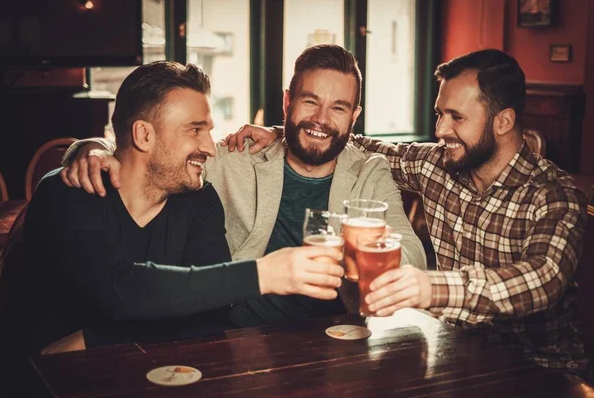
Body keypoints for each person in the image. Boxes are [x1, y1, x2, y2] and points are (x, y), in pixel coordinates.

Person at [220, 49, 591, 379]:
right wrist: (283, 130)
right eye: (439, 114)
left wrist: (430, 286)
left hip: (541, 372)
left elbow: (544, 279)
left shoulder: (555, 195)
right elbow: (345, 139)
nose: (440, 129)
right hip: (457, 353)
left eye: (456, 117)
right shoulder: (438, 165)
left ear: (503, 121)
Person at [59, 45, 427, 327]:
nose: (320, 119)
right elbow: (161, 152)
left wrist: (365, 259)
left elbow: (413, 253)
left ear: (354, 117)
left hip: (332, 334)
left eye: (338, 108)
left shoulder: (369, 172)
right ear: (287, 101)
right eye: (309, 101)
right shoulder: (237, 156)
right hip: (237, 333)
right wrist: (92, 147)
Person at [22, 61, 345, 353]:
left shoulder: (199, 200)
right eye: (195, 129)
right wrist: (265, 273)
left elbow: (210, 319)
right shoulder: (69, 193)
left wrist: (95, 340)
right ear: (143, 135)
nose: (209, 148)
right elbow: (122, 289)